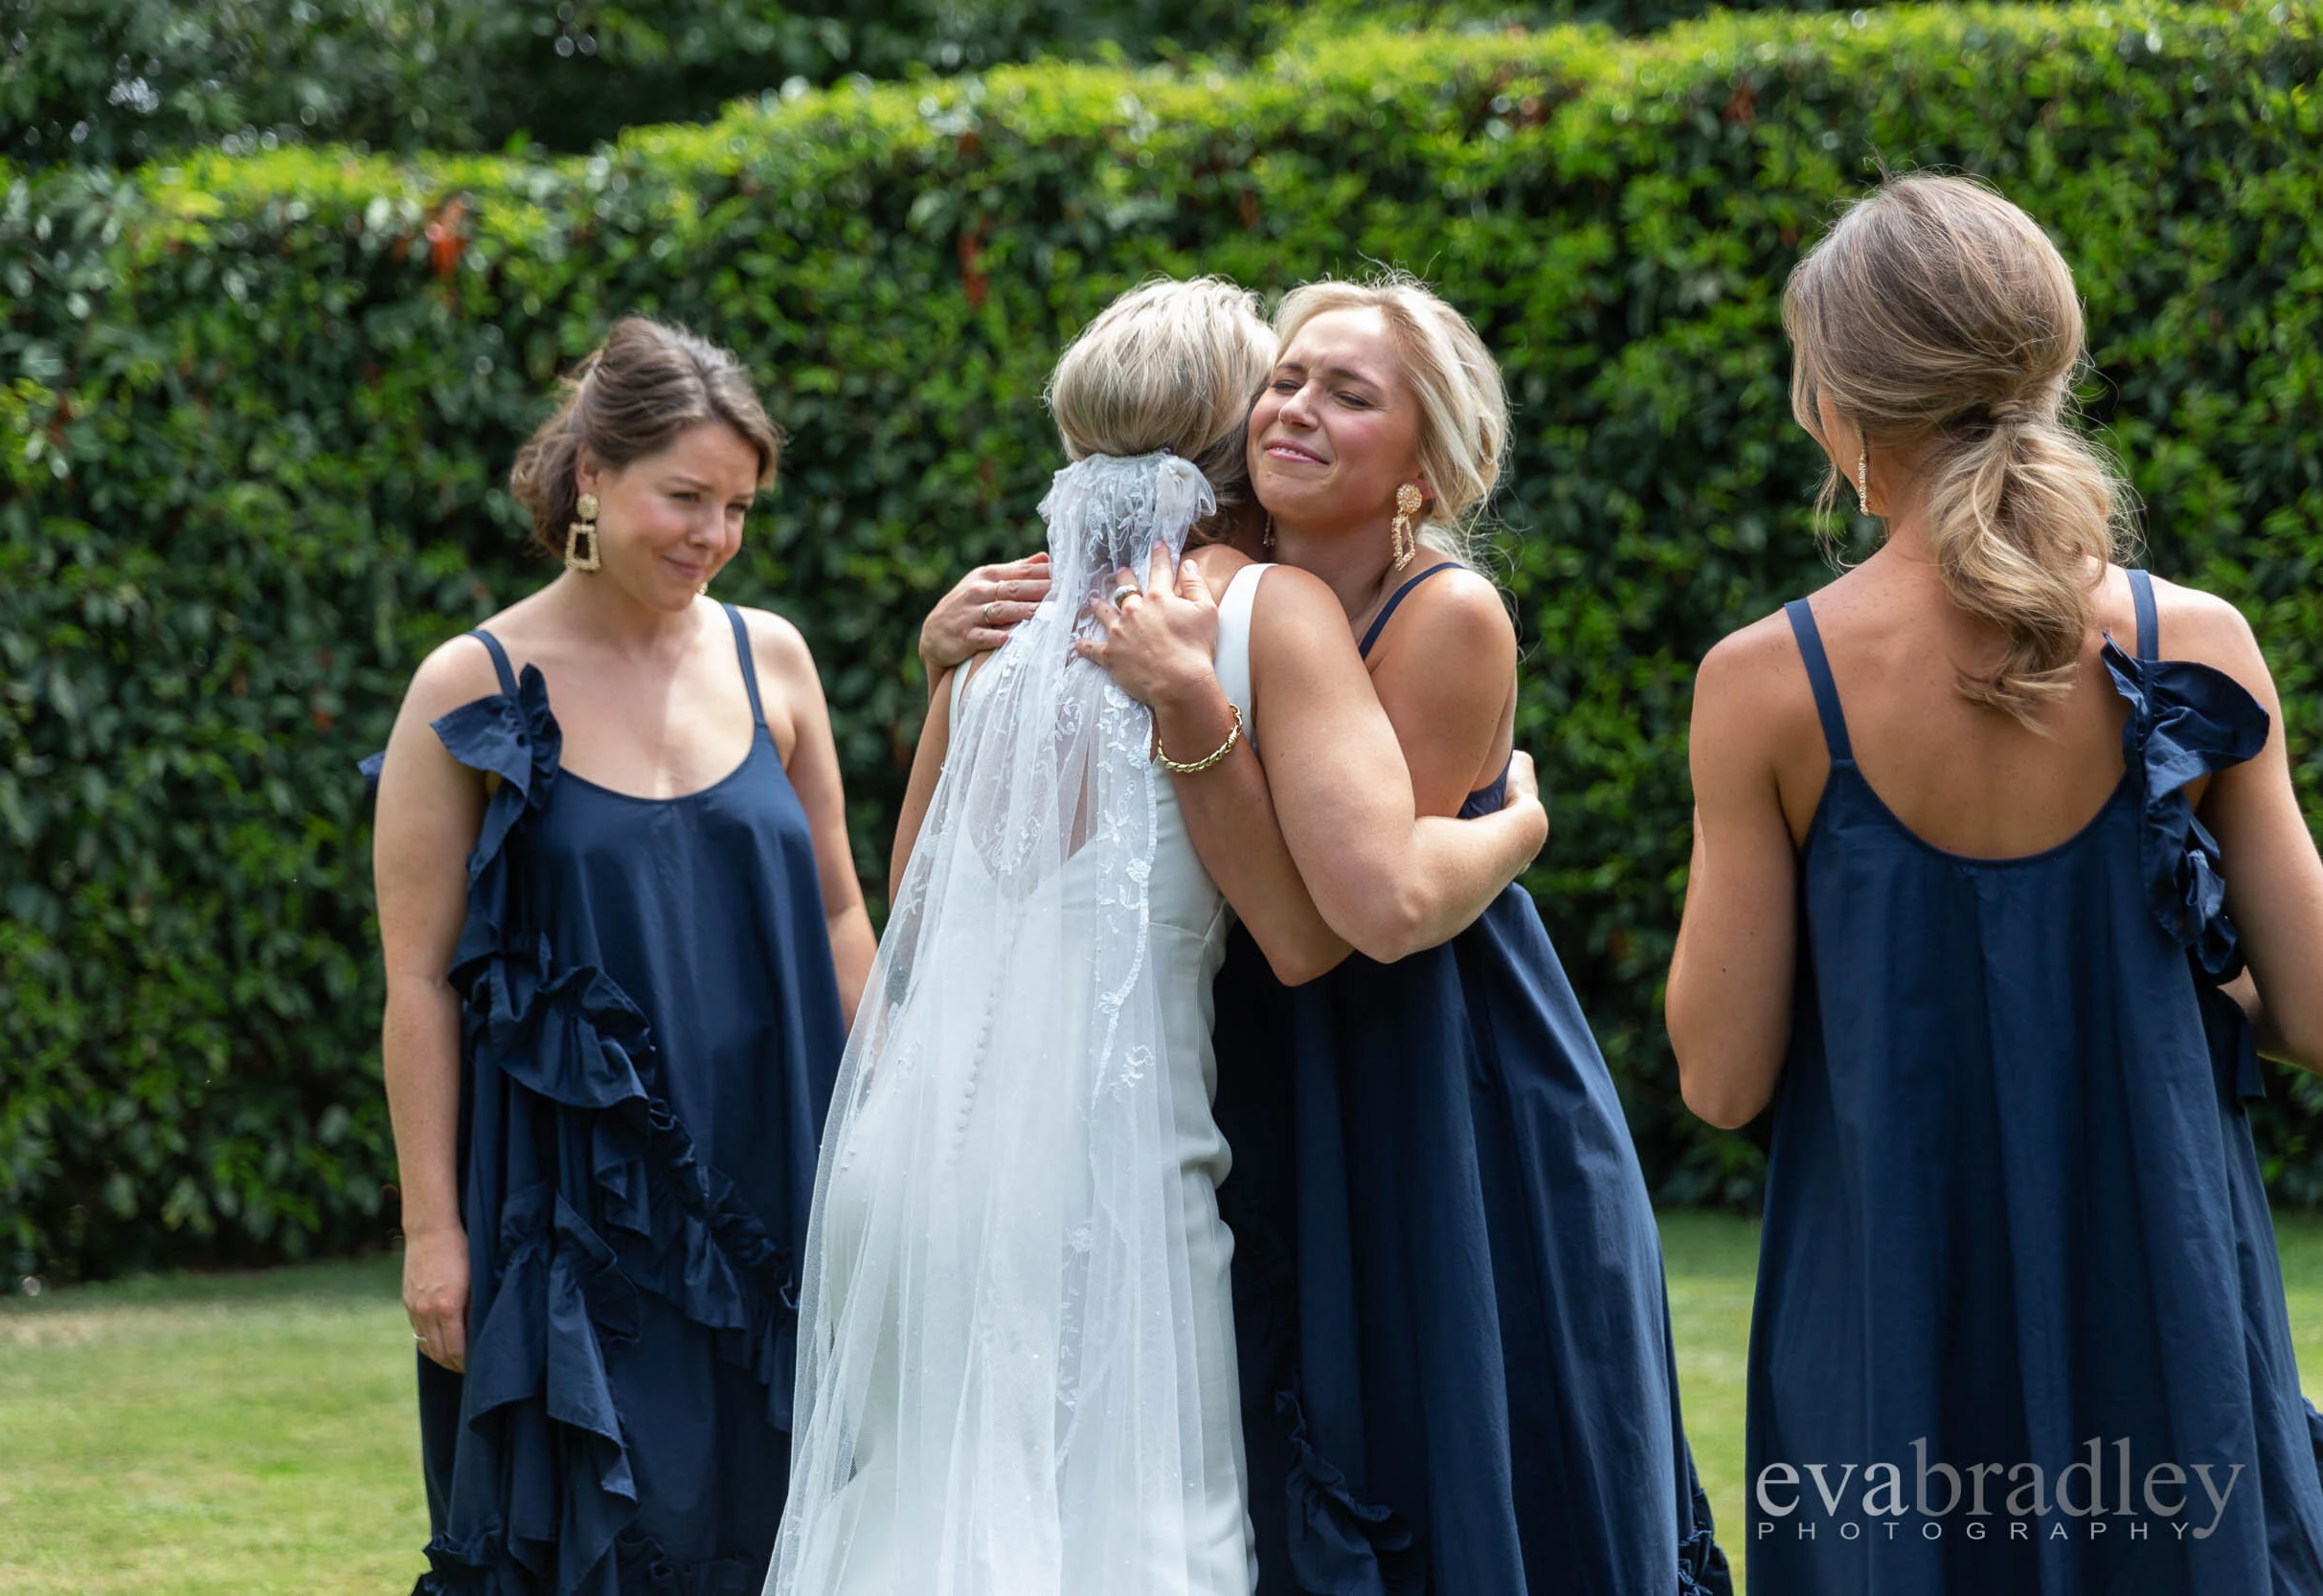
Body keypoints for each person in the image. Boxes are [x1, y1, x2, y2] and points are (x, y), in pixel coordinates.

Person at [766, 277, 1550, 1596]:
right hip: (1108, 1168)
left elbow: (915, 906)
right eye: (1280, 386)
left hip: (902, 1171)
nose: (1295, 412)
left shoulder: (994, 631)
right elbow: (1310, 937)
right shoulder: (1267, 610)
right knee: (1142, 1539)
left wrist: (937, 671)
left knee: (915, 1526)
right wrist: (1519, 824)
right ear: (1237, 434)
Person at [1669, 173, 2323, 1593]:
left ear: (1838, 404)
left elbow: (1719, 1078)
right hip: (2166, 1325)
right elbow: (2319, 1008)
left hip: (1893, 1340)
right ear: (2052, 364)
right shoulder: (2196, 641)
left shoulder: (1765, 683)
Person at [1080, 274, 1727, 1596]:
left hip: (1434, 1074)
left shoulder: (1447, 614)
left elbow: (1357, 909)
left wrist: (1515, 832)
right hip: (1262, 1051)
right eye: (1286, 380)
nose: (1296, 409)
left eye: (1349, 395)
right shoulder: (1216, 588)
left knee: (1450, 1438)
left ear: (1425, 470)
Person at [366, 316, 873, 1593]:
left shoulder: (773, 658)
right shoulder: (466, 684)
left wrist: (892, 1140)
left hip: (779, 1172)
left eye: (738, 507)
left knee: (795, 1522)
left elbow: (837, 916)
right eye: (685, 497)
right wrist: (432, 1231)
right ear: (593, 474)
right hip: (568, 1209)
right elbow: (418, 983)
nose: (714, 535)